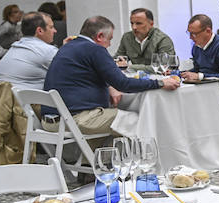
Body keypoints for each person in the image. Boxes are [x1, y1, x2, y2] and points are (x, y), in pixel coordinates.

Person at [44, 15, 179, 136]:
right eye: (109, 39)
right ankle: (144, 161)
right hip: (76, 119)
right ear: (100, 36)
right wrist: (160, 83)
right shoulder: (95, 49)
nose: (109, 45)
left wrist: (109, 86)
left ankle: (98, 159)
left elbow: (87, 75)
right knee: (142, 120)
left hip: (51, 120)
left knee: (119, 118)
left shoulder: (68, 46)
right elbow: (124, 84)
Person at [182, 13, 219, 107]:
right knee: (181, 99)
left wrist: (200, 76)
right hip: (206, 89)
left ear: (208, 31)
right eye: (189, 33)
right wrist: (181, 74)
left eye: (194, 34)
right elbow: (198, 70)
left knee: (190, 103)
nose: (190, 37)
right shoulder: (197, 47)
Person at [0, 11, 60, 91]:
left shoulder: (15, 47)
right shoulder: (47, 50)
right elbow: (70, 73)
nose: (55, 31)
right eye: (51, 27)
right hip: (24, 102)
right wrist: (68, 50)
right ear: (40, 31)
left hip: (2, 100)